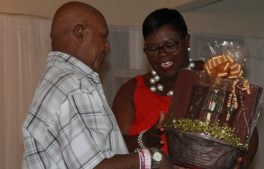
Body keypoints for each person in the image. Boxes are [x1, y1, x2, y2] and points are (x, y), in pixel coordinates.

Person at [22, 2, 175, 169]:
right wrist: (152, 159)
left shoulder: (57, 80)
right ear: (79, 33)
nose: (107, 47)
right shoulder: (73, 85)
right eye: (103, 36)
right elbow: (93, 166)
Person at [112, 8, 258, 169]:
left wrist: (240, 164)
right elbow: (114, 146)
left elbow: (247, 132)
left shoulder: (214, 76)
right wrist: (145, 139)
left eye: (170, 45)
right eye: (153, 49)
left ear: (186, 40)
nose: (162, 55)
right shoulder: (131, 91)